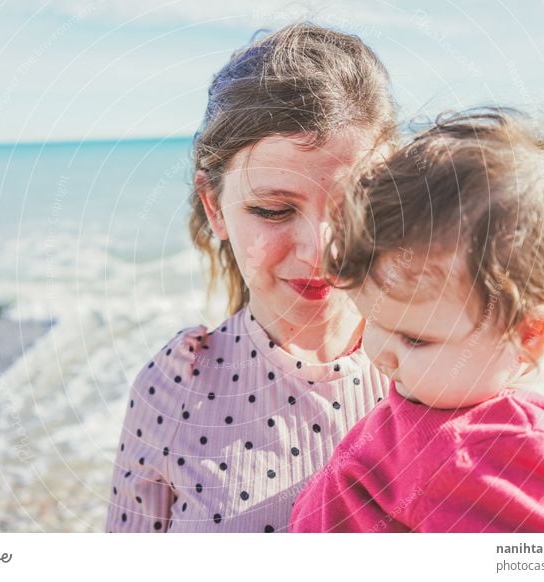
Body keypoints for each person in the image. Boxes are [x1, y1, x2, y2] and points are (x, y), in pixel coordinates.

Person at [105, 23, 399, 532]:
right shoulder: (174, 389)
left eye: (355, 203)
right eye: (273, 210)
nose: (322, 250)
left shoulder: (466, 356)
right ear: (214, 207)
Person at [289, 109, 544, 532]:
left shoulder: (492, 457)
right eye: (371, 320)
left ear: (532, 333)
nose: (376, 353)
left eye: (415, 339)